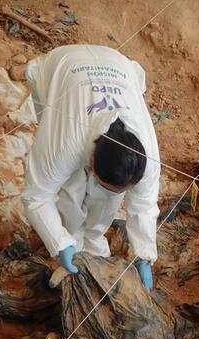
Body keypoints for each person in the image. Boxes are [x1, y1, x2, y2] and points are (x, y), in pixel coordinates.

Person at [21, 45, 160, 291]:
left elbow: (144, 204)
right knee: (69, 182)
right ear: (92, 162)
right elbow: (37, 196)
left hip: (116, 63)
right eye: (104, 184)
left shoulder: (146, 155)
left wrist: (144, 254)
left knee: (106, 198)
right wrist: (59, 242)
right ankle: (72, 237)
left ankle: (93, 240)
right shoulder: (64, 146)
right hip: (63, 67)